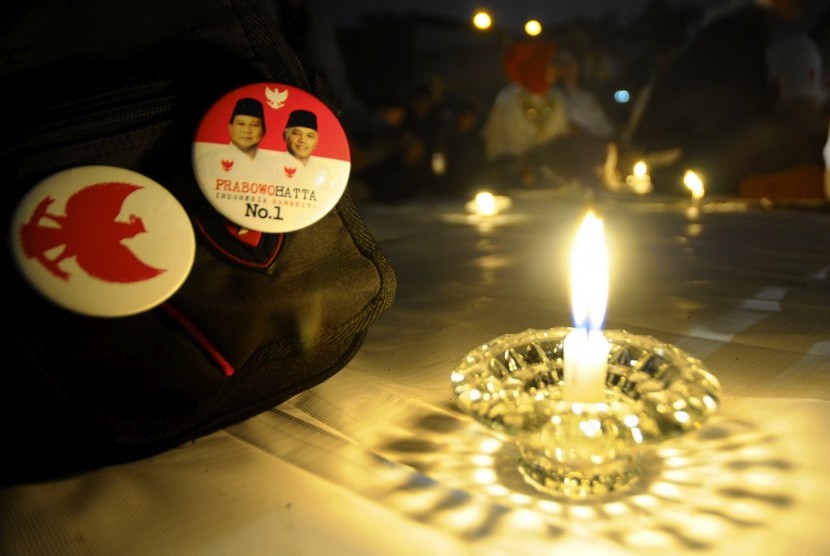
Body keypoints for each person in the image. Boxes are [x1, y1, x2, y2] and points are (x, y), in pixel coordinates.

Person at [625, 0, 828, 195]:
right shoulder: (746, 33)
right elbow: (801, 114)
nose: (801, 4)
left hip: (673, 153)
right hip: (696, 156)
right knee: (791, 134)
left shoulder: (730, 28)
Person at [481, 40, 608, 190]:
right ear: (537, 66)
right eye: (551, 64)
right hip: (515, 174)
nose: (556, 70)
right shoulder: (509, 98)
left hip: (551, 175)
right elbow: (500, 140)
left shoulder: (557, 98)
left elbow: (561, 137)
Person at [195, 97, 279, 186]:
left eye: (254, 125)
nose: (247, 130)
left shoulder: (272, 165)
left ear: (263, 131)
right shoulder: (209, 161)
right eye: (241, 124)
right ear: (230, 127)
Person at [274, 108, 335, 188]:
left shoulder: (322, 171)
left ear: (316, 142)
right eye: (296, 133)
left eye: (310, 136)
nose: (302, 140)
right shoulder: (272, 165)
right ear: (285, 136)